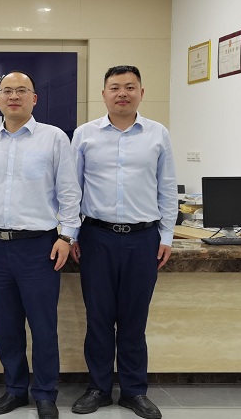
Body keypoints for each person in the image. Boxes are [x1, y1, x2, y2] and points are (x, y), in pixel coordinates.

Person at [69, 65, 177, 419]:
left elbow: (167, 188)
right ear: (103, 94)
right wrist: (71, 234)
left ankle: (134, 391)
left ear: (141, 93)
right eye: (115, 87)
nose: (122, 94)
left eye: (130, 87)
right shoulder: (84, 135)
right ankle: (98, 388)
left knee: (134, 320)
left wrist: (166, 235)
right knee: (98, 318)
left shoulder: (158, 134)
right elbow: (71, 190)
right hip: (96, 237)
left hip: (143, 239)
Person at [0, 71, 82, 419]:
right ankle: (15, 389)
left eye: (22, 91)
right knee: (6, 326)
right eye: (7, 91)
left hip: (39, 247)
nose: (14, 96)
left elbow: (69, 192)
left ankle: (46, 393)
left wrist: (66, 235)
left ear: (34, 98)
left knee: (43, 326)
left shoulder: (53, 138)